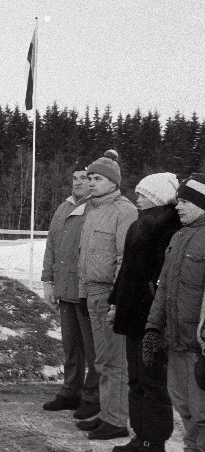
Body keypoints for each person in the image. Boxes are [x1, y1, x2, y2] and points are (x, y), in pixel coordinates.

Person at [107, 173, 180, 452]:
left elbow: (164, 277)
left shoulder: (169, 227)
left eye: (143, 193)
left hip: (151, 319)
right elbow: (126, 271)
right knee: (136, 379)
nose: (137, 198)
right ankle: (140, 436)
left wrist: (157, 318)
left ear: (157, 196)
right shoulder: (139, 224)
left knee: (152, 383)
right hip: (132, 315)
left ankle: (154, 440)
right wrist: (115, 302)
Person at [75, 150, 137, 441]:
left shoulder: (124, 211)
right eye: (89, 178)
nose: (91, 183)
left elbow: (125, 259)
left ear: (113, 182)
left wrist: (117, 301)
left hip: (110, 295)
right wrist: (84, 292)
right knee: (101, 360)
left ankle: (117, 419)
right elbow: (85, 257)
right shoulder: (93, 209)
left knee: (116, 361)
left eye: (97, 178)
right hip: (92, 293)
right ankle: (105, 412)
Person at [144, 173, 205, 451]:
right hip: (176, 343)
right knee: (184, 407)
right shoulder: (179, 237)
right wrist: (153, 328)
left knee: (202, 413)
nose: (177, 206)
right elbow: (164, 288)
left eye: (183, 201)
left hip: (198, 348)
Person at [41, 158, 100, 420]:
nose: (78, 183)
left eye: (84, 178)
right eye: (74, 178)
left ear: (93, 181)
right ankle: (70, 391)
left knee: (93, 348)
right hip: (65, 290)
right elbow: (51, 246)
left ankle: (92, 396)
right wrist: (48, 281)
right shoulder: (63, 208)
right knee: (71, 346)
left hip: (86, 291)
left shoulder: (97, 209)